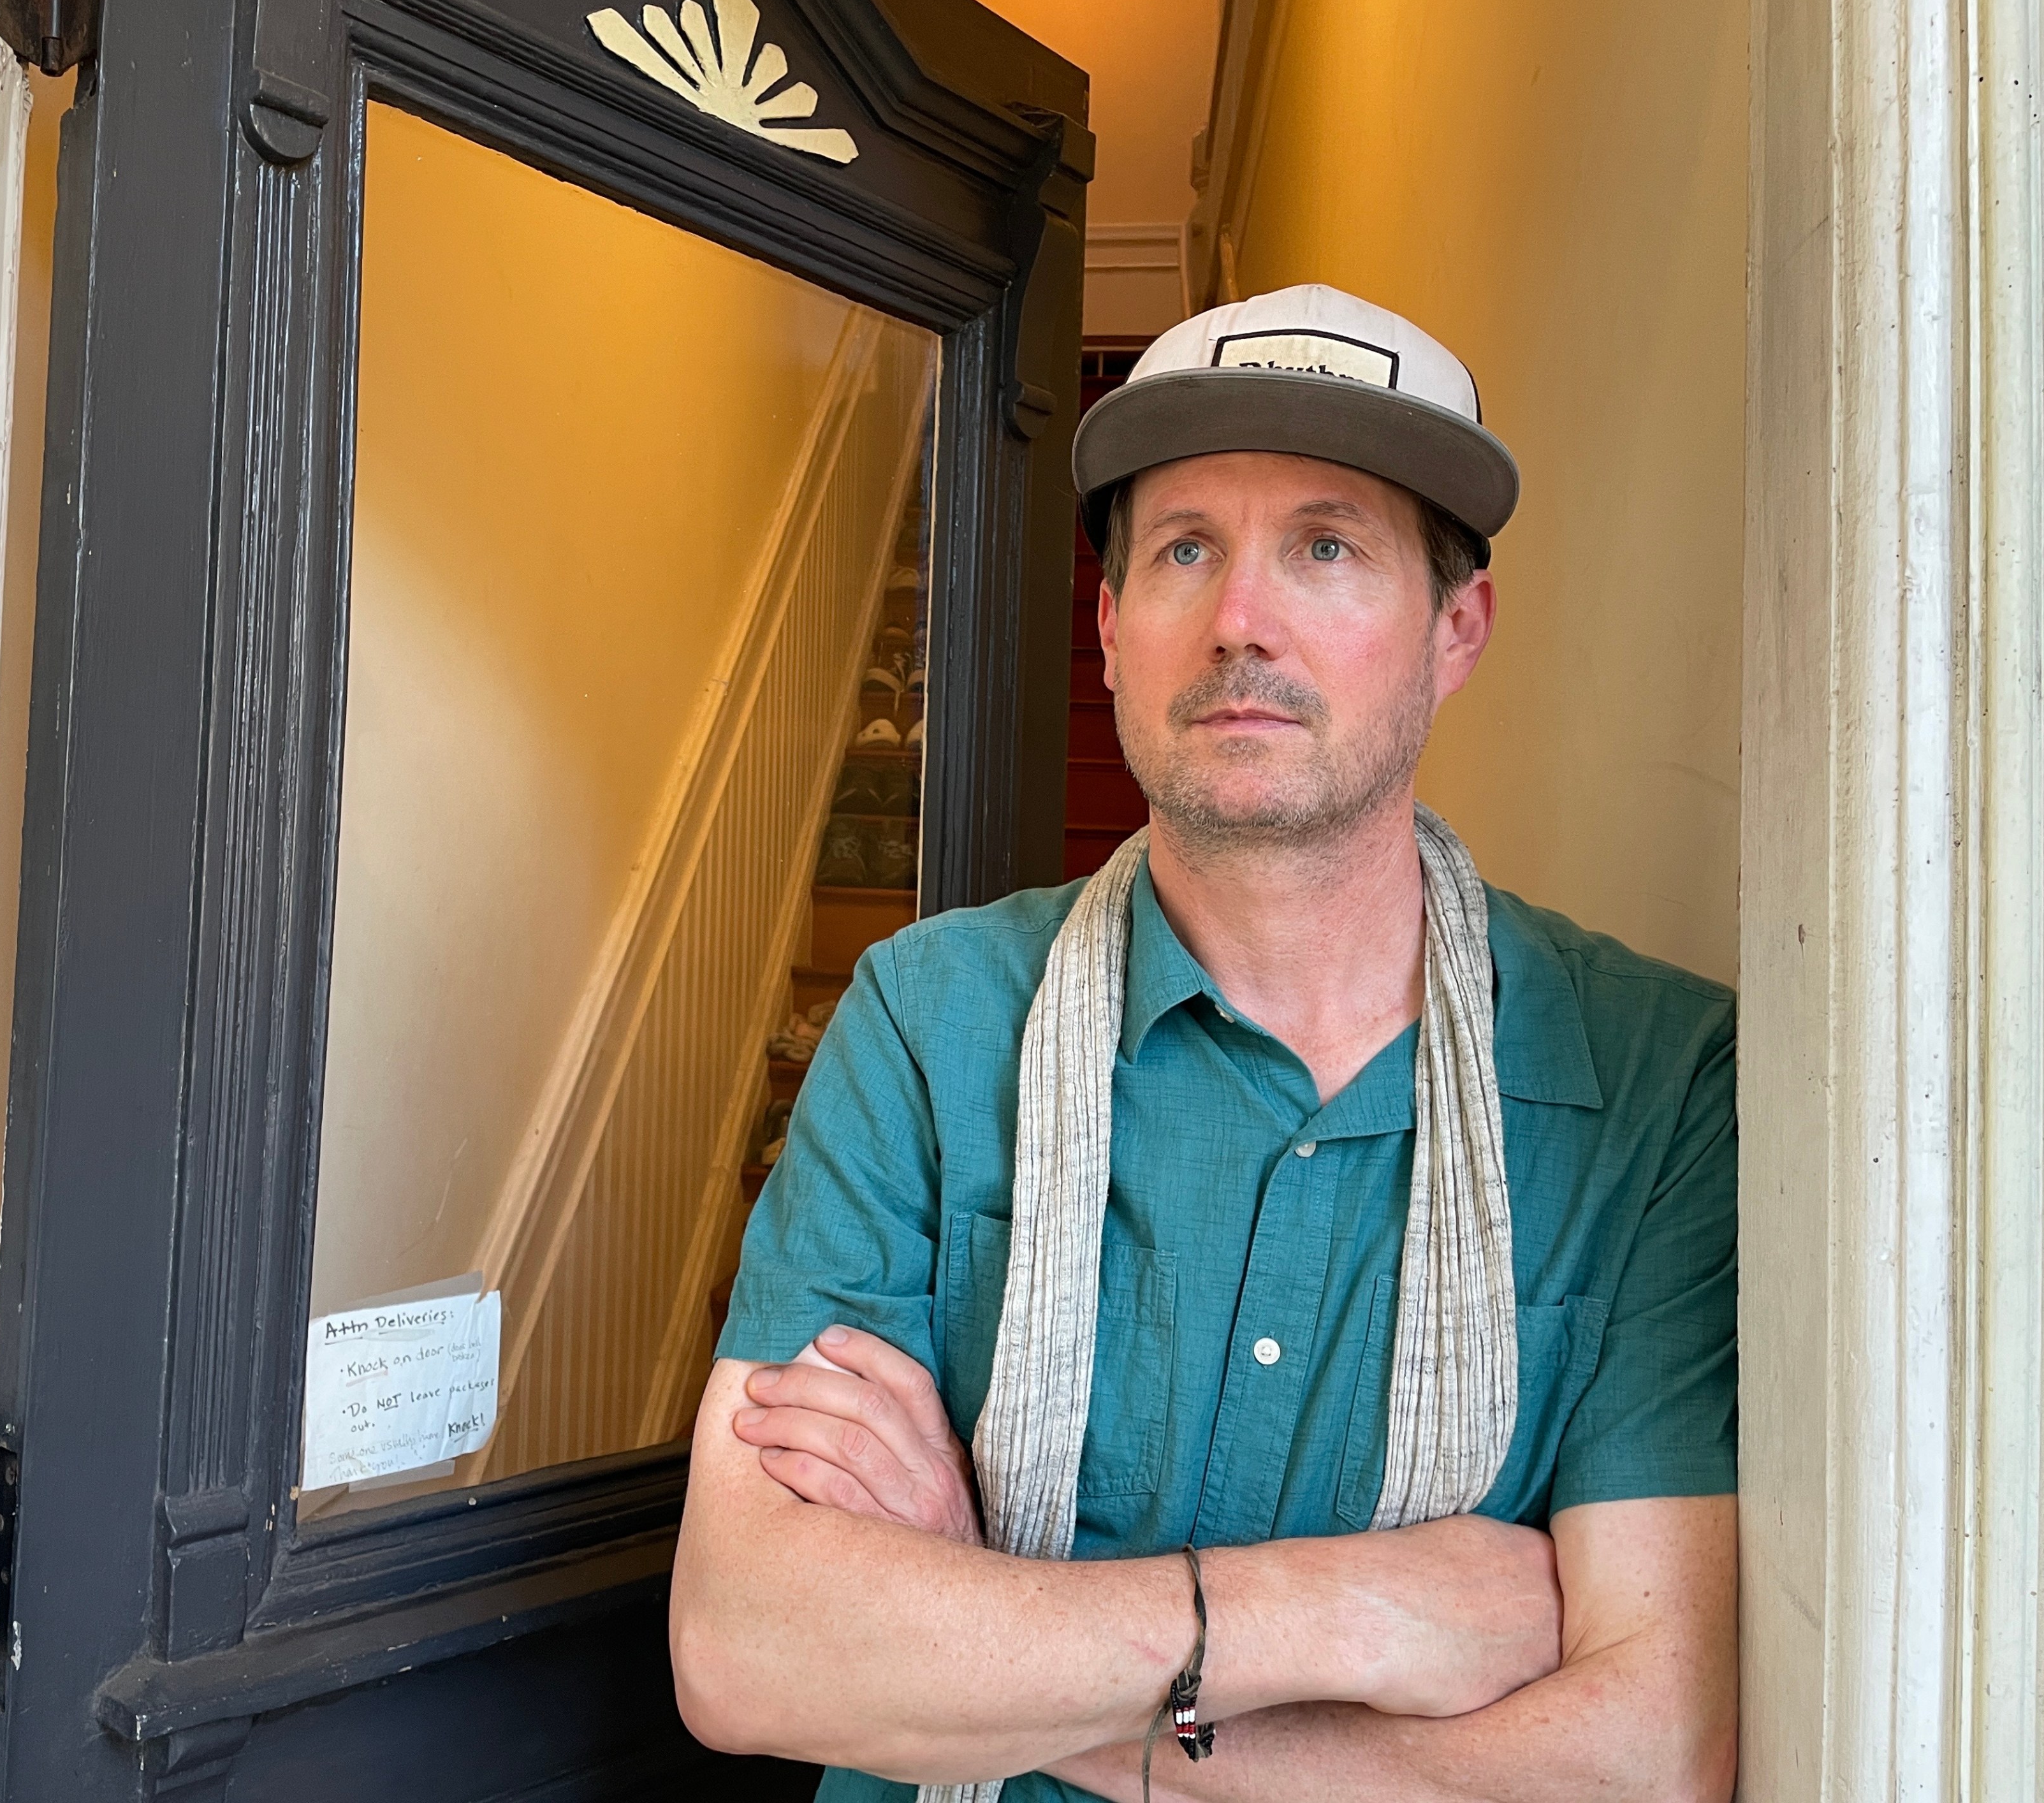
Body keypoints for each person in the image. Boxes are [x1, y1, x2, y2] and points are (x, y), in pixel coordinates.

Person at [669, 284, 1738, 1803]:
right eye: (1184, 550)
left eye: (1327, 546)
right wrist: (1345, 1615)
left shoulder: (1658, 1081)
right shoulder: (925, 1022)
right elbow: (749, 1647)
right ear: (1110, 631)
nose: (1242, 617)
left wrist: (986, 1614)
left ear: (1457, 629)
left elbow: (1651, 1757)